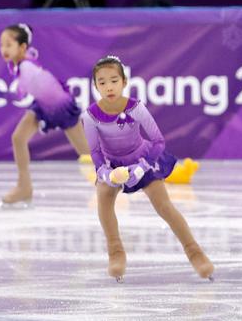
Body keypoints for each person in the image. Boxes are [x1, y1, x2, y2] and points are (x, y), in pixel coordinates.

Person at [83, 55, 215, 282]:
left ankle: (195, 252)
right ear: (95, 86)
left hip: (144, 159)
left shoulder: (136, 108)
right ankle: (116, 253)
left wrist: (141, 168)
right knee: (104, 198)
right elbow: (95, 152)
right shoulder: (91, 116)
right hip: (112, 164)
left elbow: (158, 142)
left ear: (124, 82)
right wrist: (105, 173)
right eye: (102, 82)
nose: (108, 87)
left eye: (114, 80)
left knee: (164, 205)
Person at [0, 24, 92, 206]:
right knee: (18, 138)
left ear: (22, 47)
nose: (4, 49)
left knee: (85, 152)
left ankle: (115, 178)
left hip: (60, 107)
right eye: (1, 45)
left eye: (9, 45)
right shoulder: (22, 64)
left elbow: (19, 96)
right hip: (42, 104)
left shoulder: (26, 68)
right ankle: (24, 187)